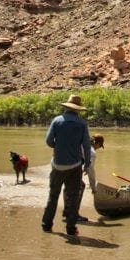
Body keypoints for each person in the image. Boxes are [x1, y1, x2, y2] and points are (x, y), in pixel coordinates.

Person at [41, 94, 93, 236]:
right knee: (72, 197)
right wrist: (87, 163)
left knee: (53, 196)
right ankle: (71, 228)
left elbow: (49, 141)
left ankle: (46, 225)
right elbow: (87, 146)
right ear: (77, 109)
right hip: (74, 166)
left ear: (66, 107)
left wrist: (59, 146)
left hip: (57, 165)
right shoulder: (82, 124)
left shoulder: (56, 121)